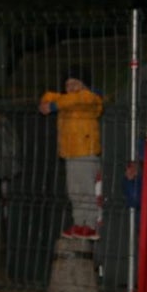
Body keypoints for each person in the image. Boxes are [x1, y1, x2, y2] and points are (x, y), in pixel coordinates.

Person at [39, 66, 103, 240]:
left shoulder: (89, 98)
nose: (72, 88)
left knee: (85, 189)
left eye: (76, 83)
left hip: (85, 151)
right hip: (71, 153)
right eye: (68, 84)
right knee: (74, 190)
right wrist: (53, 102)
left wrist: (54, 105)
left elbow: (77, 99)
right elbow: (47, 96)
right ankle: (79, 223)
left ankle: (90, 224)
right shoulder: (66, 101)